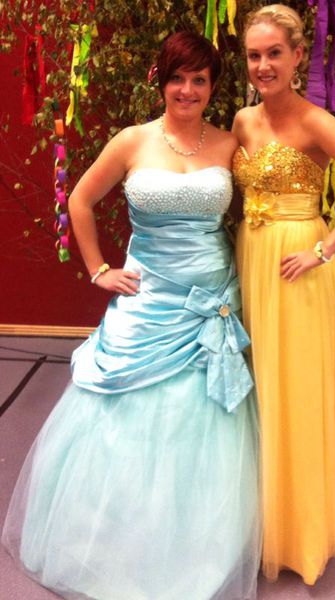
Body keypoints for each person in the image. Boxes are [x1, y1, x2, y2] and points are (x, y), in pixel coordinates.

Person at [2, 31, 261, 600]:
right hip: (147, 303)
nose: (187, 90)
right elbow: (79, 199)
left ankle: (196, 547)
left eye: (199, 80)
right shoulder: (132, 140)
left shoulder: (229, 144)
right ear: (160, 82)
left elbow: (264, 204)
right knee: (125, 420)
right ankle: (115, 543)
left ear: (213, 86)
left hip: (208, 304)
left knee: (203, 425)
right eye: (177, 78)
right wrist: (98, 268)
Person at [232, 3, 335, 586]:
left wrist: (325, 249)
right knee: (259, 387)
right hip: (252, 259)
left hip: (298, 268)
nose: (263, 65)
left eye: (274, 53)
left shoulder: (316, 122)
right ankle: (261, 523)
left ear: (299, 55)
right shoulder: (242, 121)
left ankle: (300, 537)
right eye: (254, 55)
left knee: (296, 390)